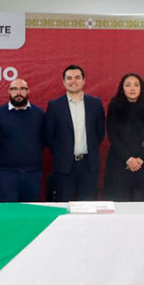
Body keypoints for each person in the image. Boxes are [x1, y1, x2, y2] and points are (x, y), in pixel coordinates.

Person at [44, 65, 105, 202]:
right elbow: (49, 135)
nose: (73, 81)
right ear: (64, 82)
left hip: (88, 165)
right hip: (64, 166)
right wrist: (62, 153)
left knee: (87, 206)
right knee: (64, 205)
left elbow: (99, 132)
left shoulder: (95, 104)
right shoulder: (54, 105)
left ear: (84, 80)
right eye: (69, 78)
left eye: (77, 77)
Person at [103, 73, 144, 201]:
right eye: (128, 85)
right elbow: (112, 134)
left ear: (141, 88)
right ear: (122, 88)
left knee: (143, 204)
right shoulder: (114, 107)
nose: (132, 88)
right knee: (119, 200)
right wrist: (128, 159)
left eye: (136, 85)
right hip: (119, 161)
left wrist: (141, 159)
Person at [0, 78, 45, 202]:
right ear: (9, 92)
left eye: (22, 89)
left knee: (30, 210)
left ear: (28, 91)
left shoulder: (38, 113)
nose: (18, 93)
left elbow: (44, 139)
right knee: (8, 211)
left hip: (32, 173)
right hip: (7, 174)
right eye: (14, 89)